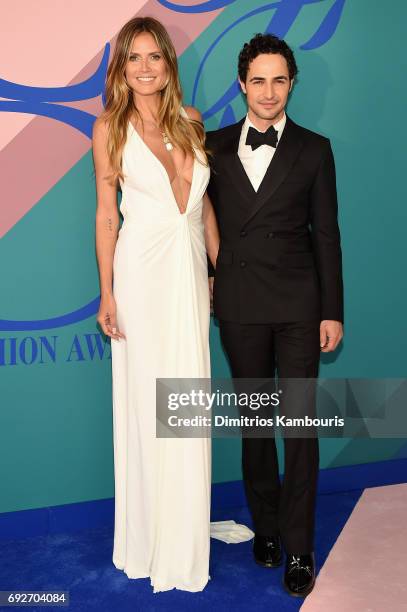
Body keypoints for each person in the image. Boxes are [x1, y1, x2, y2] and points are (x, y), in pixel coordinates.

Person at [206, 33, 344, 597]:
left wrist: (332, 310)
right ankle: (265, 527)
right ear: (242, 85)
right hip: (239, 303)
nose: (268, 91)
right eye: (258, 80)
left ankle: (300, 546)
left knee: (299, 427)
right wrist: (208, 279)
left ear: (291, 84)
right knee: (257, 424)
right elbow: (196, 225)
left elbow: (327, 237)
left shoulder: (314, 149)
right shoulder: (209, 145)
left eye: (279, 79)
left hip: (297, 304)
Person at [92, 16, 220, 593]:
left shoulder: (192, 122)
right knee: (149, 402)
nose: (144, 68)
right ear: (121, 68)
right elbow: (106, 215)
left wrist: (222, 269)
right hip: (140, 277)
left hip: (189, 273)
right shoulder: (108, 129)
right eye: (133, 58)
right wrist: (107, 291)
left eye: (155, 57)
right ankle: (148, 538)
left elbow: (204, 206)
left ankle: (184, 534)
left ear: (169, 63)